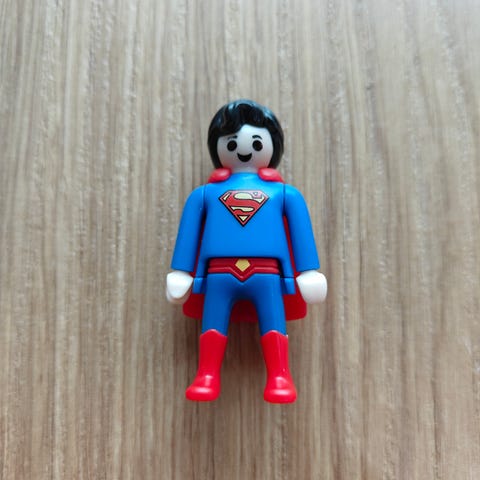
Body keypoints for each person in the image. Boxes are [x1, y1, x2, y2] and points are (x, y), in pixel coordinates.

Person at [166, 99, 327, 403]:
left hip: (267, 274)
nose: (243, 149)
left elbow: (301, 232)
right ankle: (206, 375)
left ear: (272, 146)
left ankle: (280, 375)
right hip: (219, 274)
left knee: (273, 322)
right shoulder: (204, 195)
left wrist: (309, 271)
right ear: (218, 147)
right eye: (231, 142)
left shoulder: (284, 194)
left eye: (255, 142)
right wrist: (181, 271)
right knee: (212, 323)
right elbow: (189, 232)